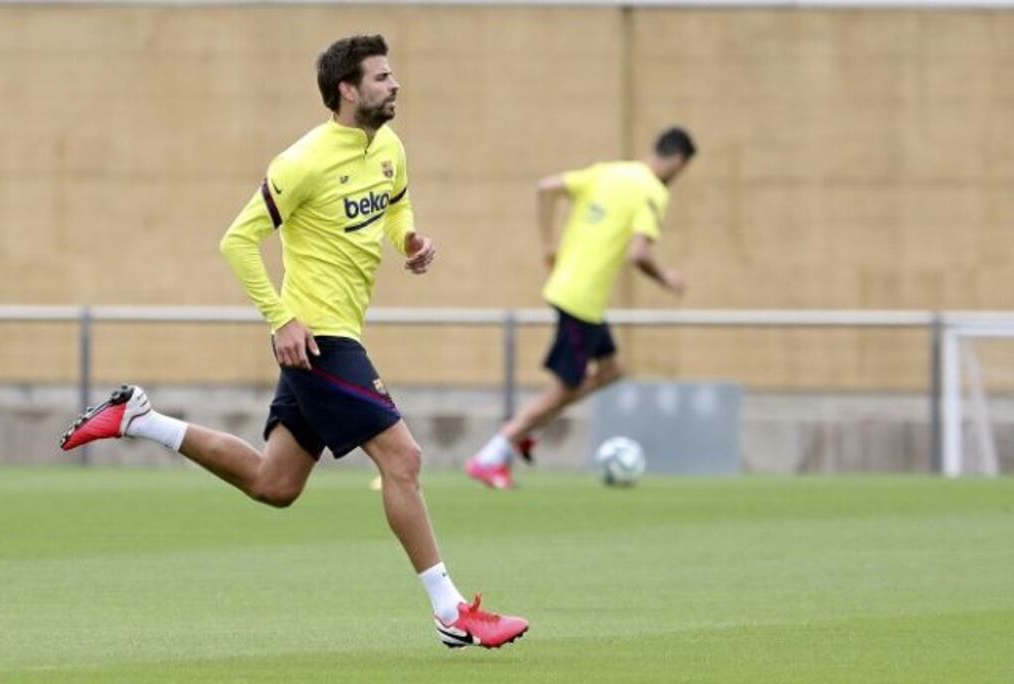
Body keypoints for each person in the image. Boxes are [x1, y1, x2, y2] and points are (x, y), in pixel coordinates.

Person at [59, 34, 528, 650]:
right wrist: (281, 320)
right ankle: (450, 612)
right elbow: (236, 240)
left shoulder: (388, 146)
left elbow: (396, 204)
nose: (396, 85)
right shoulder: (302, 161)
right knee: (404, 459)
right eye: (383, 77)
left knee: (274, 485)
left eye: (393, 76)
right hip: (317, 337)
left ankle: (139, 419)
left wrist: (409, 239)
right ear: (348, 89)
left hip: (335, 333)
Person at [466, 127, 697, 489]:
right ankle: (494, 452)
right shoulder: (652, 191)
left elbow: (546, 188)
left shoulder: (608, 171)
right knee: (561, 390)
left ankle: (530, 428)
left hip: (573, 291)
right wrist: (667, 278)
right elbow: (639, 253)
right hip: (582, 301)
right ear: (679, 163)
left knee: (612, 368)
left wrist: (548, 246)